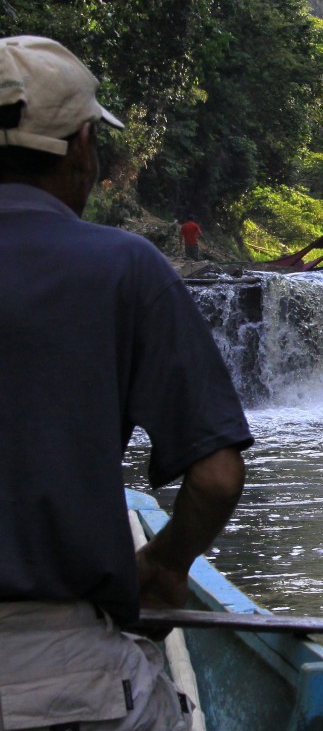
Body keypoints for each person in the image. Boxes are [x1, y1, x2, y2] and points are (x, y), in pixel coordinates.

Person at [0, 36, 253, 730]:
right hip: (60, 674)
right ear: (82, 144)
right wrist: (169, 564)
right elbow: (216, 478)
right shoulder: (122, 268)